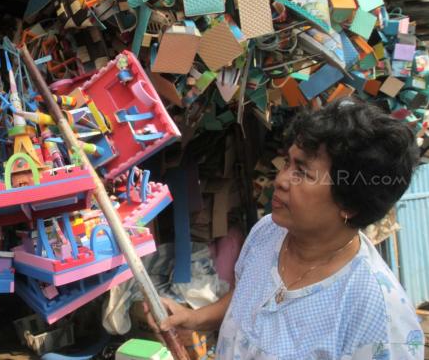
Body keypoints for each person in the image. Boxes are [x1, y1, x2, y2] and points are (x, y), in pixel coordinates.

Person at [147, 98, 425, 359]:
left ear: (351, 203)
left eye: (302, 172)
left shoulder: (379, 315)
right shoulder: (268, 232)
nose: (280, 179)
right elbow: (247, 296)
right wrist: (193, 318)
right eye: (288, 163)